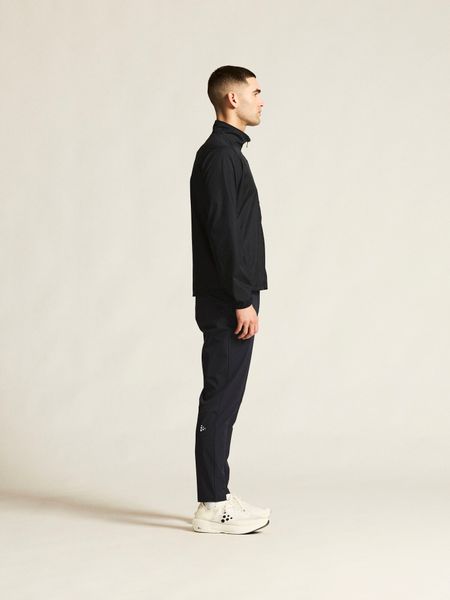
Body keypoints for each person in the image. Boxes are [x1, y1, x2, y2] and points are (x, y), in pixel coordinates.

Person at [189, 65, 270, 534]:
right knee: (220, 397)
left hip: (231, 294)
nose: (262, 100)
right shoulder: (221, 156)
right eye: (255, 92)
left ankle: (217, 492)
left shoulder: (227, 153)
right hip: (228, 300)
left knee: (225, 396)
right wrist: (242, 298)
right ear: (232, 99)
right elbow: (224, 235)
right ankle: (212, 504)